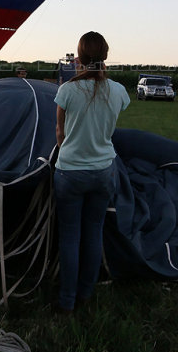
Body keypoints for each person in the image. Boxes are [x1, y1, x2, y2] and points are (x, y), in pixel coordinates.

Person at [53, 31, 129, 313]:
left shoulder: (67, 90)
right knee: (94, 232)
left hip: (70, 172)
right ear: (105, 57)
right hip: (103, 171)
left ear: (79, 58)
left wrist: (67, 150)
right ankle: (86, 292)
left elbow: (60, 133)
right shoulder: (118, 91)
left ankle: (67, 301)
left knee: (70, 236)